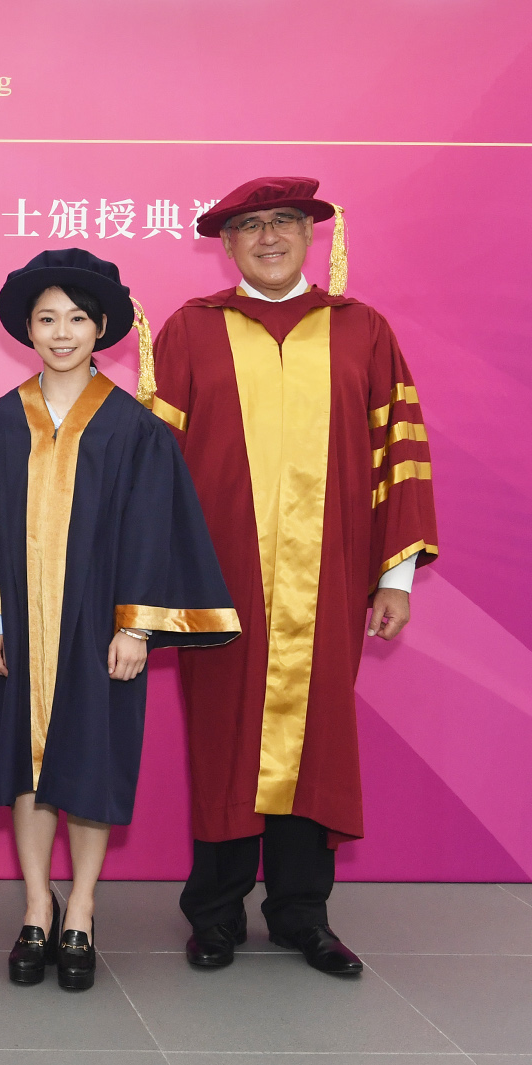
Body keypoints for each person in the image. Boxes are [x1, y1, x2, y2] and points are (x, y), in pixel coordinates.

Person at [149, 177, 439, 975]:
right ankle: (214, 915)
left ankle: (303, 914)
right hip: (218, 582)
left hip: (332, 580)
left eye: (284, 223)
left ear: (312, 235)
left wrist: (398, 578)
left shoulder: (362, 330)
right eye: (250, 226)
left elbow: (401, 459)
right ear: (227, 243)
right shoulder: (191, 331)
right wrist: (156, 582)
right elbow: (155, 468)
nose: (269, 237)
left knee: (314, 742)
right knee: (222, 738)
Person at [0, 249, 238, 991]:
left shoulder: (137, 432)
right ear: (26, 328)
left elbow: (153, 531)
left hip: (100, 631)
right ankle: (34, 905)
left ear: (102, 328)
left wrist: (137, 626)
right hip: (20, 628)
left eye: (77, 319)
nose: (61, 332)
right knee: (25, 764)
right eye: (47, 318)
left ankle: (81, 905)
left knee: (91, 762)